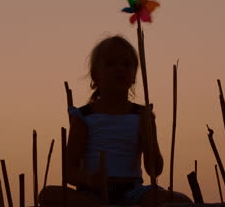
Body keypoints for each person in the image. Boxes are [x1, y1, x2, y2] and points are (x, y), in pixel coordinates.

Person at [39, 35, 191, 206]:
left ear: (134, 75)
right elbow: (69, 171)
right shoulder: (84, 116)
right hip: (92, 193)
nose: (119, 69)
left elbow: (155, 169)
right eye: (110, 64)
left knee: (180, 200)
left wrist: (148, 134)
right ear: (95, 75)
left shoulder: (142, 115)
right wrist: (89, 179)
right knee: (48, 194)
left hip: (132, 191)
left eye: (126, 65)